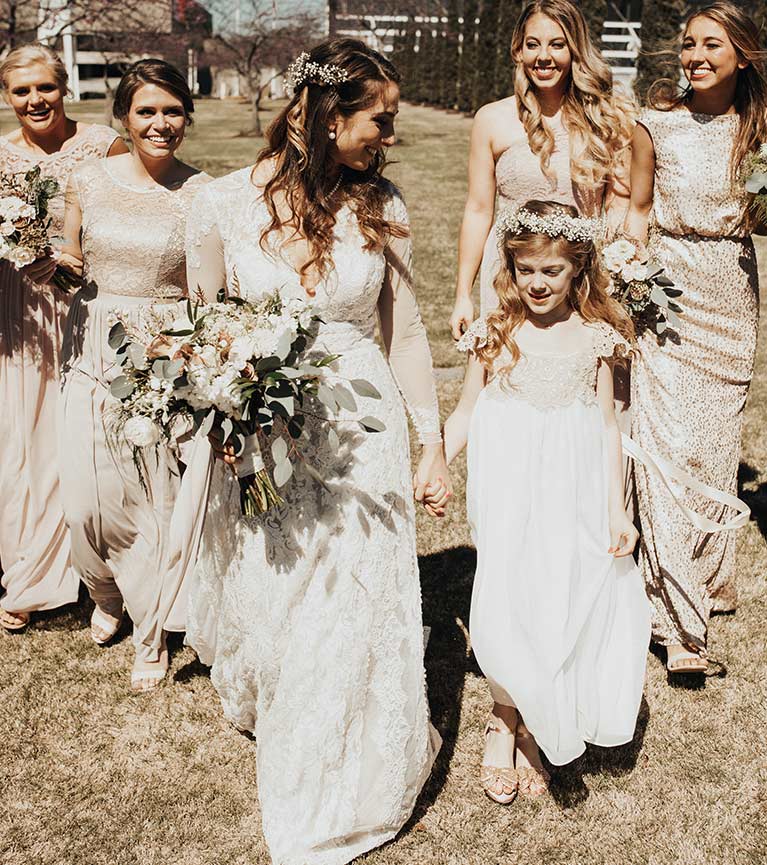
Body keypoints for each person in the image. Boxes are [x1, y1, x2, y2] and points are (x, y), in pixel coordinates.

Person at [184, 39, 448, 864]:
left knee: (351, 592)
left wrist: (430, 440)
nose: (388, 137)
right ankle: (280, 695)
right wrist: (222, 416)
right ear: (326, 115)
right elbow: (204, 329)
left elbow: (405, 333)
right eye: (380, 119)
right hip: (264, 425)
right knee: (281, 578)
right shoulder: (224, 203)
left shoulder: (385, 203)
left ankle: (342, 762)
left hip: (361, 421)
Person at [431, 200, 650, 803]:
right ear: (511, 268)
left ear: (577, 270)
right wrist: (435, 462)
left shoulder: (598, 340)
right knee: (508, 595)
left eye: (551, 271)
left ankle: (536, 720)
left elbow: (609, 428)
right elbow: (468, 412)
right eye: (525, 269)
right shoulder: (496, 332)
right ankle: (504, 719)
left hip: (575, 490)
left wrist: (616, 508)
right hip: (509, 490)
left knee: (561, 593)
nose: (537, 282)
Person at [624, 1, 767, 674]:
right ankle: (677, 622)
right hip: (665, 294)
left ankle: (706, 579)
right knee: (665, 448)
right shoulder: (653, 123)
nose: (696, 55)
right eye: (688, 44)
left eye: (712, 44)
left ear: (743, 54)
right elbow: (635, 208)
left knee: (713, 453)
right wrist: (623, 270)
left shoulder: (759, 128)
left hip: (730, 295)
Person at [58, 60, 210, 689]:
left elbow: (206, 290)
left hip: (160, 356)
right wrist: (56, 265)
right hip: (90, 348)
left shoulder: (202, 193)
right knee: (85, 503)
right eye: (146, 111)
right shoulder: (87, 179)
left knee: (154, 500)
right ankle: (106, 590)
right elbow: (71, 251)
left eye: (172, 111)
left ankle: (152, 631)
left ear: (187, 118)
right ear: (124, 116)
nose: (160, 124)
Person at [0, 44, 126, 630]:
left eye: (44, 88)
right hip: (18, 311)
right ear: (7, 96)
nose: (34, 101)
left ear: (65, 85)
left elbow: (137, 218)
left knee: (84, 434)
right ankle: (28, 573)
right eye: (21, 91)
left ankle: (103, 566)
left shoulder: (101, 145)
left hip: (85, 303)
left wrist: (74, 261)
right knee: (22, 440)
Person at [449, 0, 635, 336]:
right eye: (533, 44)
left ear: (575, 50)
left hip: (584, 279)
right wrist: (463, 293)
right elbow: (477, 210)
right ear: (518, 50)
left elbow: (620, 206)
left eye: (557, 44)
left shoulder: (609, 119)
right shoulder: (491, 120)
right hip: (509, 277)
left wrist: (616, 275)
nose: (543, 56)